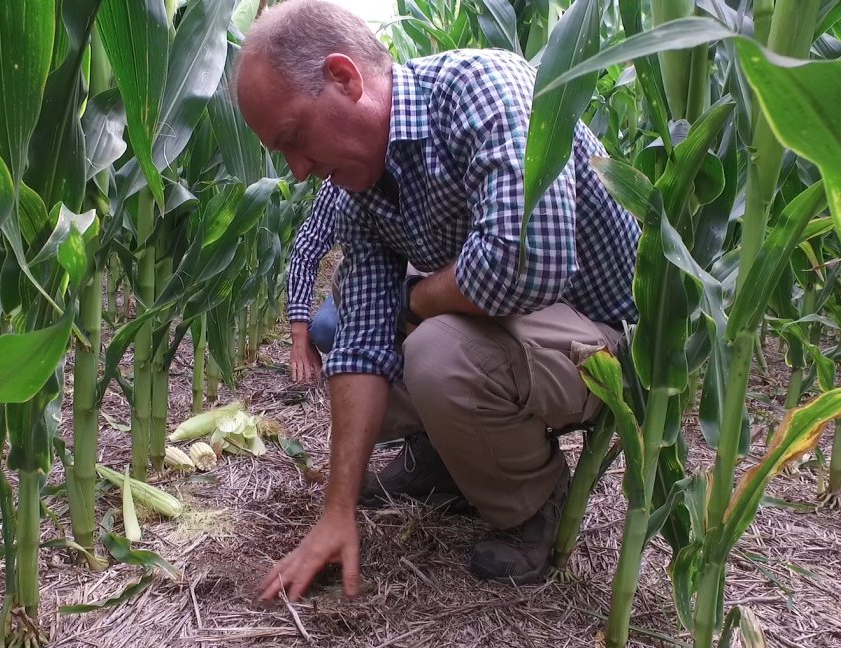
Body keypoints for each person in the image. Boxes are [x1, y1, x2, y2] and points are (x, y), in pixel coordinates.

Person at [235, 0, 640, 603]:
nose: (296, 171)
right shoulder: (359, 191)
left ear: (345, 79)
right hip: (523, 331)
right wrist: (336, 510)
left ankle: (532, 503)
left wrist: (421, 296)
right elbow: (364, 344)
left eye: (294, 138)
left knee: (435, 349)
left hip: (609, 336)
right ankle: (447, 462)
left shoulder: (482, 90)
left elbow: (527, 264)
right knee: (345, 329)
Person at [287, 181, 340, 383]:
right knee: (325, 329)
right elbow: (306, 252)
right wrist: (299, 332)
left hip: (421, 283)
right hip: (363, 283)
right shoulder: (338, 182)